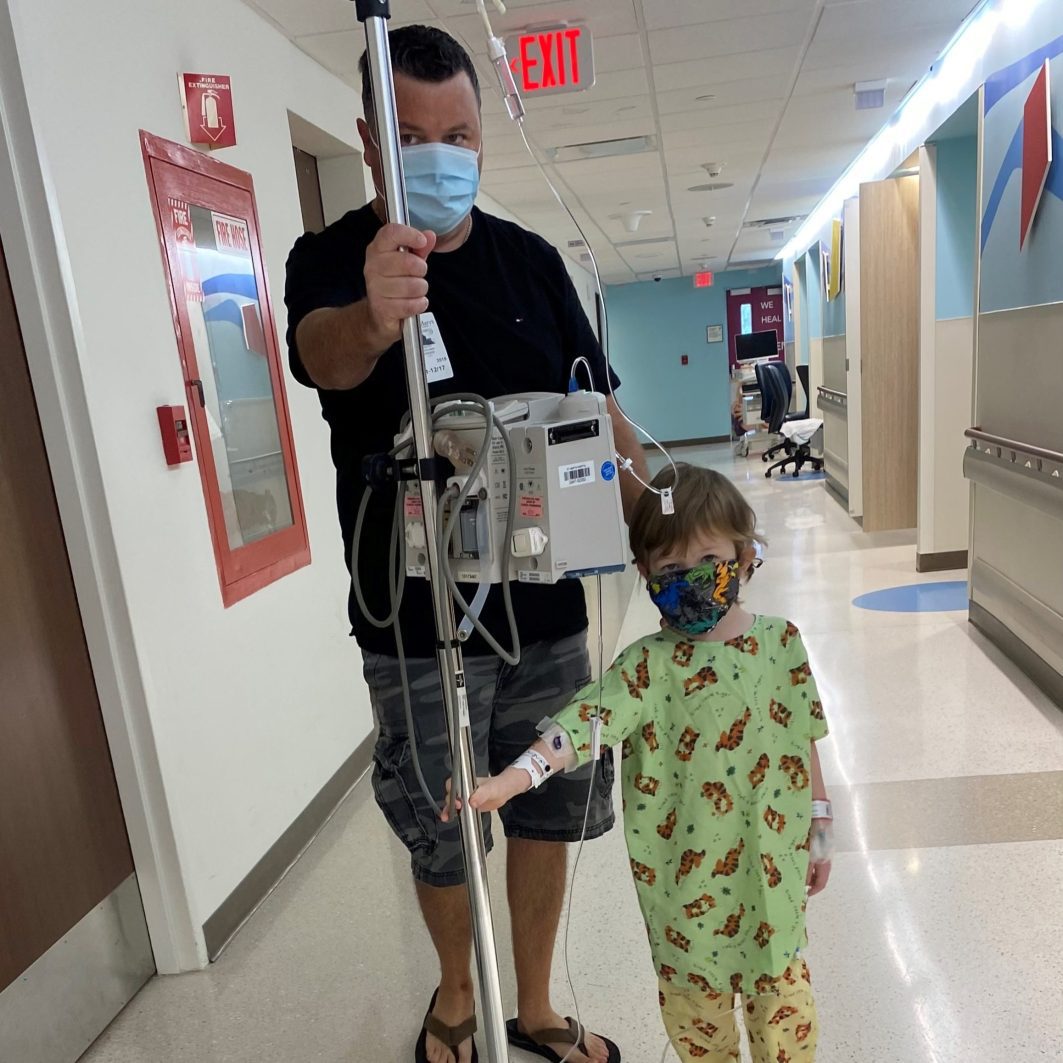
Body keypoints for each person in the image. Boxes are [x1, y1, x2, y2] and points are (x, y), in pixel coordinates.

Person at [283, 24, 646, 1063]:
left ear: (483, 138)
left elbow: (603, 416)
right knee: (444, 822)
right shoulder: (333, 260)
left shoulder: (530, 264)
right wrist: (373, 314)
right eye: (411, 135)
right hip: (412, 620)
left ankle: (529, 1006)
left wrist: (663, 527)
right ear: (369, 141)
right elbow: (325, 356)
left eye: (459, 134)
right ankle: (455, 998)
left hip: (543, 612)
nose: (440, 153)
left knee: (545, 807)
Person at [446, 464, 834, 1062]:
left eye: (708, 558)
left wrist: (821, 823)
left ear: (746, 553)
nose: (693, 580)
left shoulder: (782, 644)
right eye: (672, 569)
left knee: (785, 1016)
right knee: (701, 1030)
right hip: (687, 901)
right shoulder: (645, 669)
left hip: (773, 881)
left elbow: (804, 734)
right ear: (646, 573)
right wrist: (512, 778)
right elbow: (577, 728)